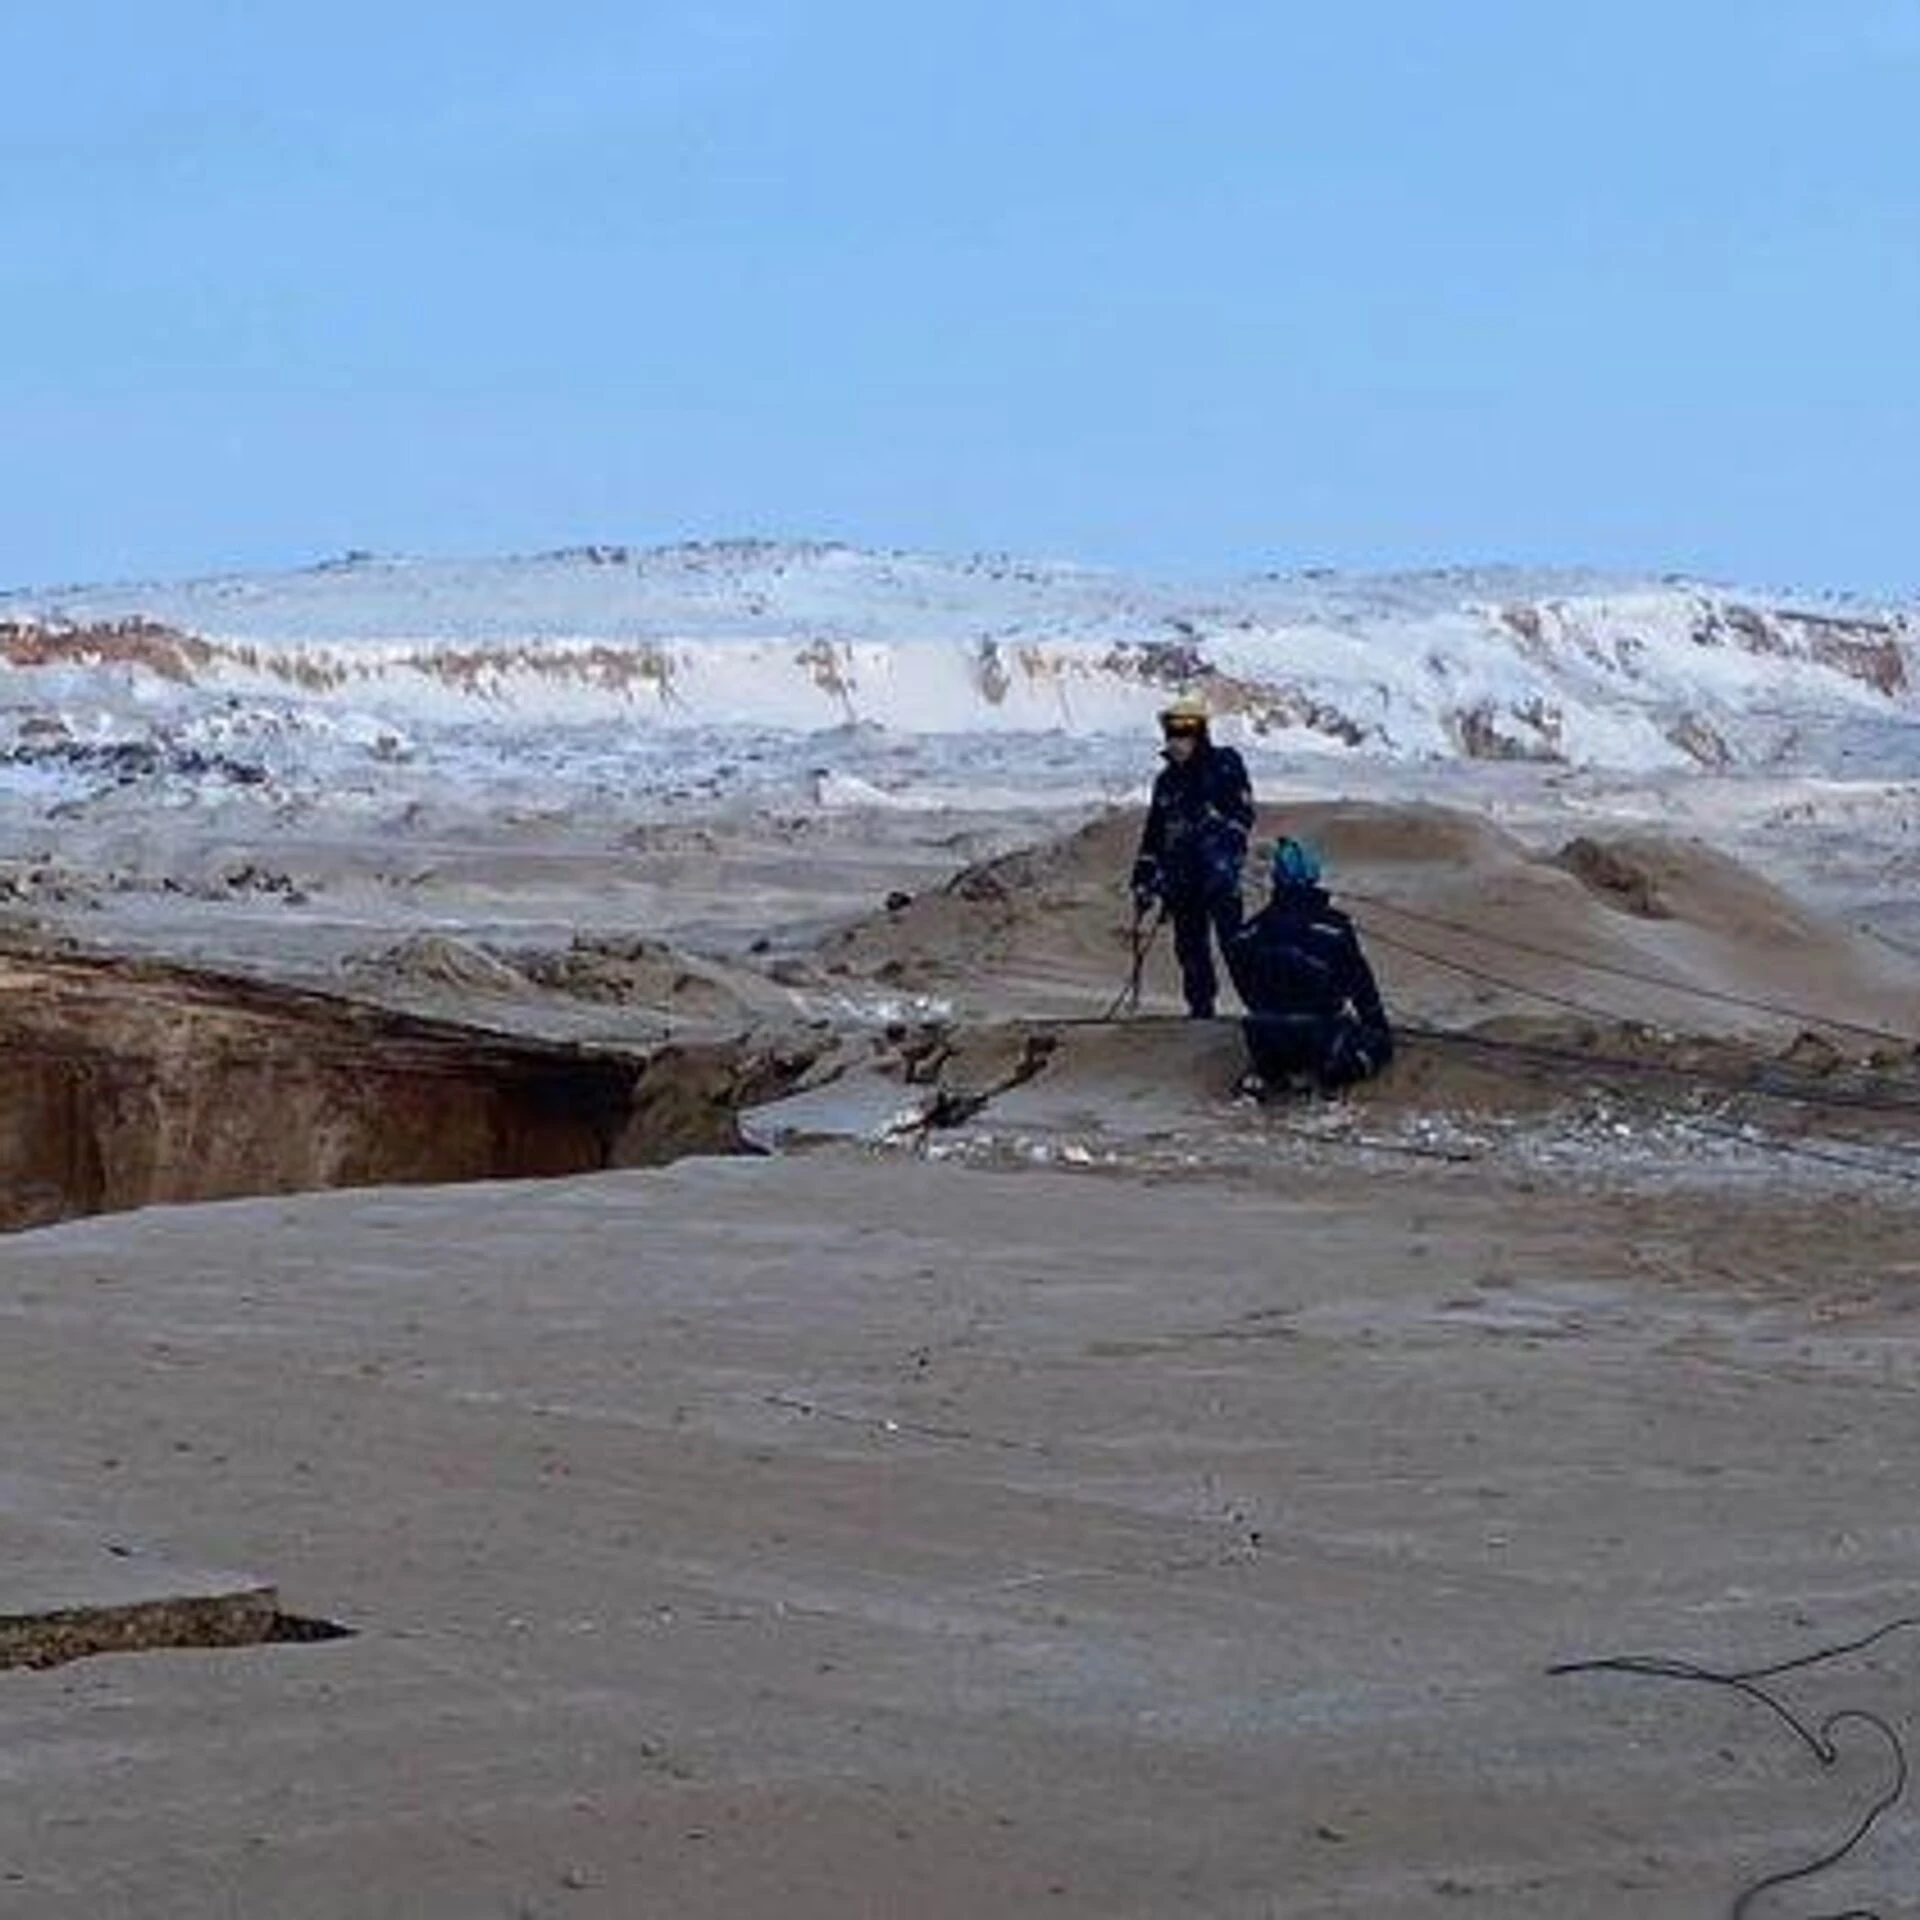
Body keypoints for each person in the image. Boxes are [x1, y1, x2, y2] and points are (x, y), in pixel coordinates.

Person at [1225, 837, 1393, 1095]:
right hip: (1318, 1035)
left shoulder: (1249, 931)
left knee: (1273, 1037)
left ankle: (1269, 1073)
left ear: (1277, 879)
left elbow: (1245, 990)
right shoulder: (1336, 928)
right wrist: (1378, 1028)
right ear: (1314, 875)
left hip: (1262, 1034)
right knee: (1378, 1044)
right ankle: (1337, 1072)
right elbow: (1361, 987)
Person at [1129, 692, 1255, 1018]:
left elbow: (1243, 816)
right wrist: (1144, 878)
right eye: (1171, 737)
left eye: (1182, 737)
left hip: (1219, 878)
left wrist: (1216, 832)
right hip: (1182, 883)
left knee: (1237, 948)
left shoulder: (1226, 765)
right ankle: (1201, 1012)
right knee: (1190, 951)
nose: (1175, 744)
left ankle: (1263, 1009)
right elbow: (1154, 833)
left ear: (1198, 736)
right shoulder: (1167, 782)